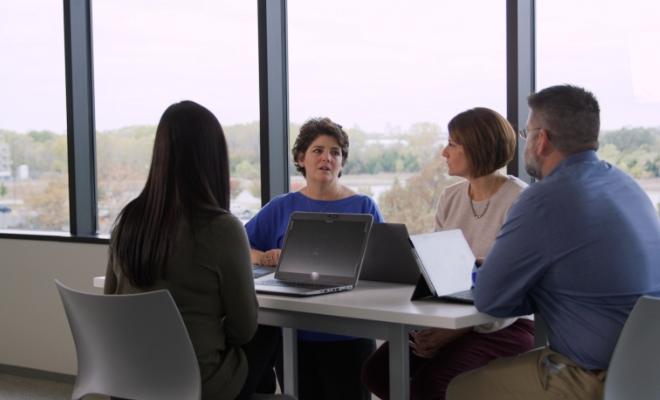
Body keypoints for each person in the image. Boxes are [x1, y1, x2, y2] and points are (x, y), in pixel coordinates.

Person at [447, 85, 660, 400]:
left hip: (594, 376)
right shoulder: (625, 185)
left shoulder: (544, 200)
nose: (526, 142)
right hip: (646, 371)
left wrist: (522, 283)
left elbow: (490, 300)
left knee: (460, 389)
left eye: (527, 132)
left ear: (541, 139)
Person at [104, 101, 279, 400]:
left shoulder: (128, 221)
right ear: (214, 159)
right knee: (268, 333)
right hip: (198, 386)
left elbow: (110, 305)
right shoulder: (221, 228)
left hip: (129, 383)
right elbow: (244, 329)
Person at [361, 107, 535, 400]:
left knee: (433, 384)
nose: (444, 152)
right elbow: (443, 275)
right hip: (453, 316)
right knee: (377, 373)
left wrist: (455, 332)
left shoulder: (521, 200)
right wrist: (437, 324)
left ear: (478, 147)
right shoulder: (451, 197)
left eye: (453, 144)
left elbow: (514, 292)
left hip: (506, 322)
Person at [245, 117, 384, 400]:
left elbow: (383, 264)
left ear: (342, 162)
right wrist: (264, 257)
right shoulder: (281, 207)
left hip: (350, 334)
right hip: (294, 336)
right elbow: (241, 247)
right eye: (318, 150)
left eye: (335, 152)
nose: (327, 158)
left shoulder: (364, 206)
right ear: (301, 158)